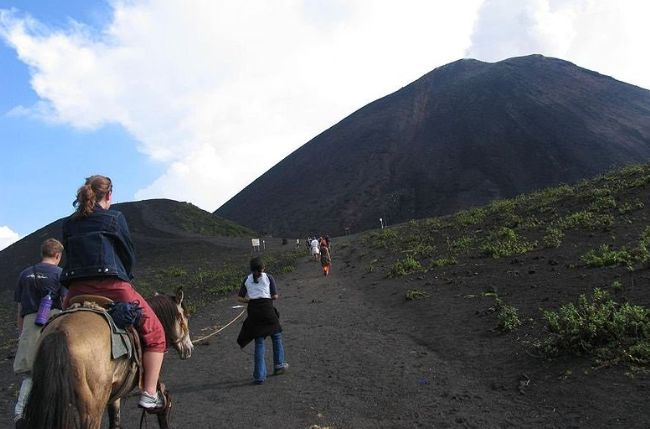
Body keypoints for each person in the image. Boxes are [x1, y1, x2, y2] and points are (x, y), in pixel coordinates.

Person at [60, 175, 166, 410]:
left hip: (75, 290)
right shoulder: (115, 218)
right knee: (156, 334)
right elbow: (127, 254)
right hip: (114, 287)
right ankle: (149, 393)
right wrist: (126, 278)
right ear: (109, 194)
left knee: (54, 326)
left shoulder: (69, 224)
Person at [13, 238, 66, 426]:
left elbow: (20, 308)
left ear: (42, 253)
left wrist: (22, 333)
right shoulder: (61, 274)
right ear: (58, 255)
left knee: (30, 373)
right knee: (55, 370)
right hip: (55, 323)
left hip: (29, 324)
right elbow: (66, 302)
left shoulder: (25, 274)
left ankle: (20, 414)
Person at [236, 257, 288, 384]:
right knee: (276, 336)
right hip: (268, 310)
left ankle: (259, 376)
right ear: (263, 268)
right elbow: (275, 296)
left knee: (259, 342)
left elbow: (239, 298)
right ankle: (279, 365)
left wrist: (251, 300)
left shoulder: (246, 279)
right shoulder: (269, 277)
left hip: (254, 312)